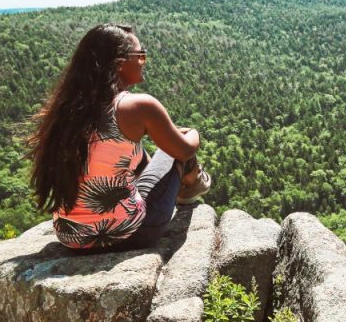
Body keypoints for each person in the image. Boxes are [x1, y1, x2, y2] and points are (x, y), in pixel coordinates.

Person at [27, 23, 211, 251]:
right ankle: (192, 184)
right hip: (131, 233)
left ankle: (189, 184)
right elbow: (184, 150)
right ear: (120, 63)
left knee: (134, 149)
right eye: (141, 55)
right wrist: (193, 132)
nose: (144, 61)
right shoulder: (138, 106)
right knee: (176, 145)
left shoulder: (66, 112)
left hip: (71, 237)